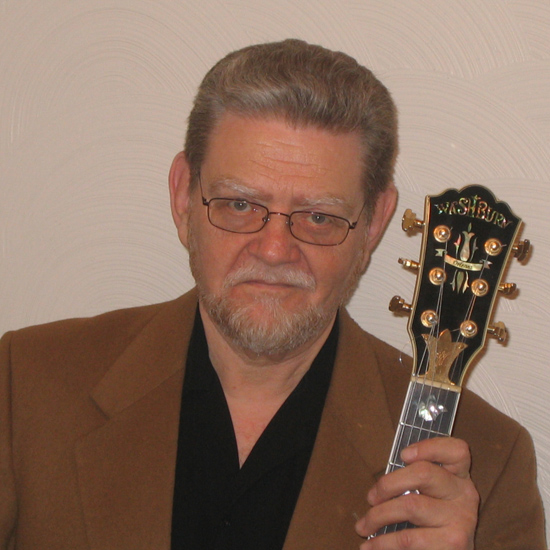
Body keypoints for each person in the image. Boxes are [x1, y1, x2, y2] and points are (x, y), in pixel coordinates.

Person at [0, 39, 546, 550]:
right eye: (240, 205)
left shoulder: (486, 466)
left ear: (374, 223)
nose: (275, 250)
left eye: (319, 216)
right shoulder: (25, 387)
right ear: (184, 197)